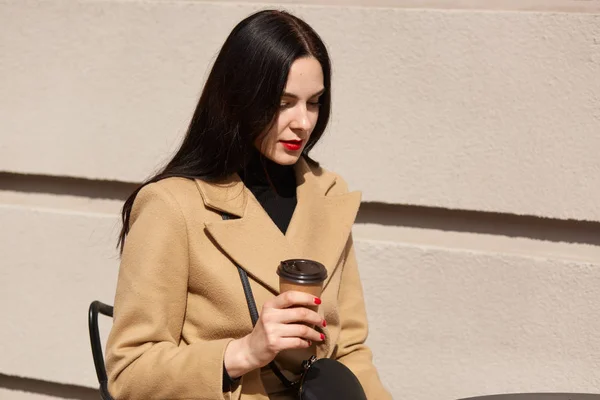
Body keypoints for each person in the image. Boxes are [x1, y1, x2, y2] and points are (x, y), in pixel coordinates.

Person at [105, 9, 392, 400]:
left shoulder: (327, 193)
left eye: (314, 103)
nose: (303, 122)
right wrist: (241, 353)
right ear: (240, 98)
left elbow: (351, 351)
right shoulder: (173, 206)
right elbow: (129, 374)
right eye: (283, 102)